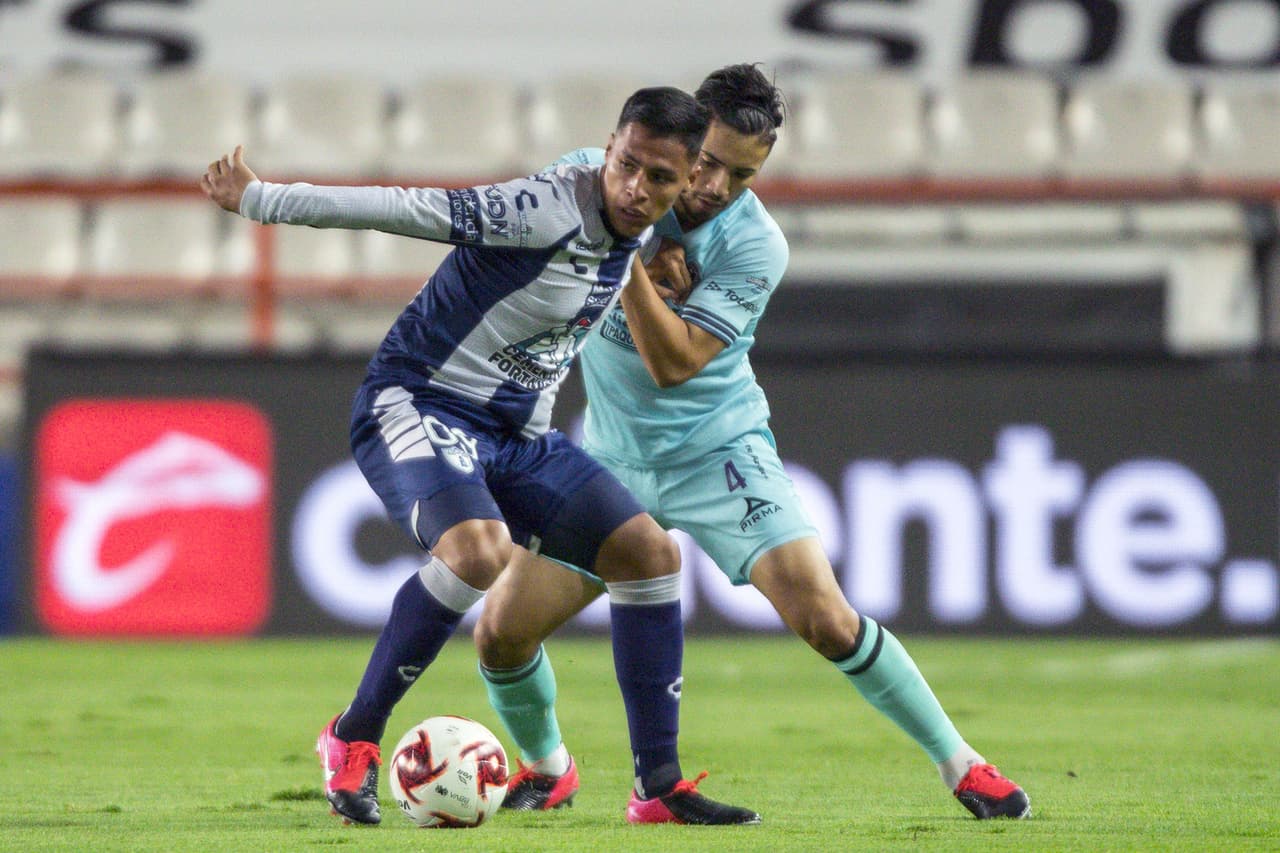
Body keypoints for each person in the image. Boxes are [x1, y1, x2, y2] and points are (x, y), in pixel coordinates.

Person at [473, 63, 1031, 822]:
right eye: (706, 162)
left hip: (718, 449)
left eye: (742, 173)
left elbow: (673, 365)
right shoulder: (598, 175)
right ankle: (547, 766)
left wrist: (624, 261)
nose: (715, 186)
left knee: (827, 619)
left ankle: (963, 765)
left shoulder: (754, 245)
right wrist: (634, 249)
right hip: (608, 455)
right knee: (501, 634)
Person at [200, 86, 760, 827]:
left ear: (687, 179)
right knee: (476, 549)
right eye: (626, 164)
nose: (635, 187)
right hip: (417, 402)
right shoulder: (544, 207)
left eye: (659, 177)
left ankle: (657, 785)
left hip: (513, 437)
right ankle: (353, 737)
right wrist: (264, 199)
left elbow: (564, 317)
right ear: (611, 146)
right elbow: (408, 209)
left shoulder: (639, 236)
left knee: (649, 554)